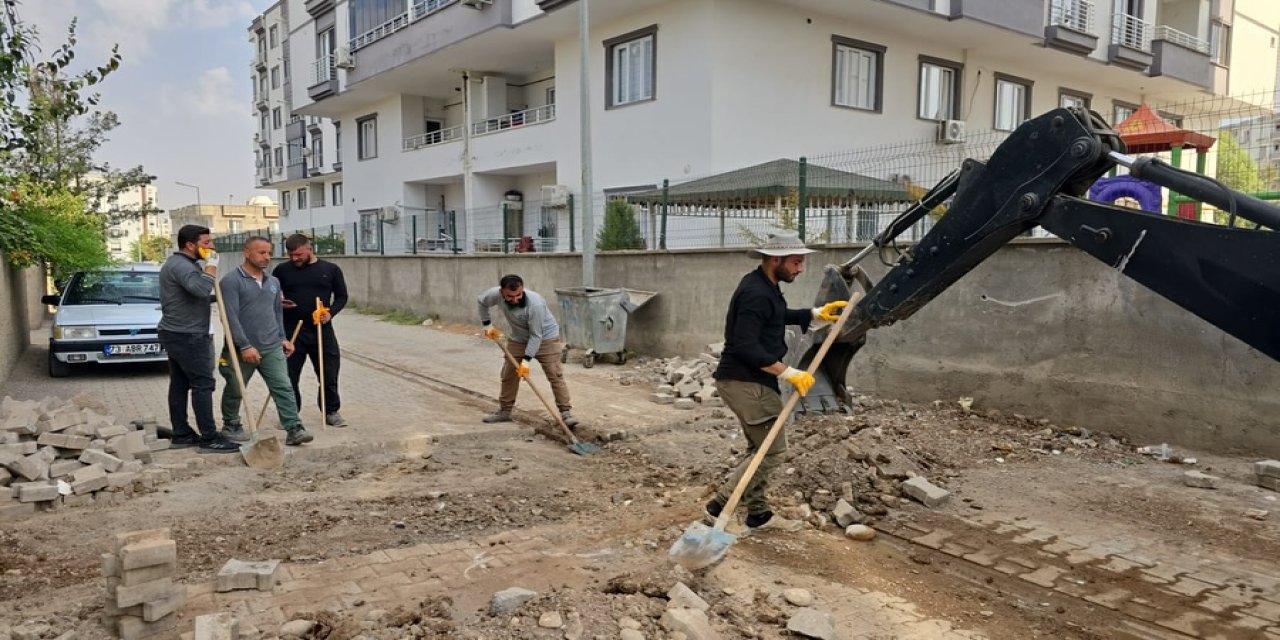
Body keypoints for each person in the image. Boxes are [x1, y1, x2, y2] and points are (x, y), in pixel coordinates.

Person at [703, 231, 847, 532]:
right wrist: (788, 372)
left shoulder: (764, 286)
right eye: (796, 262)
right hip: (746, 382)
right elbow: (745, 345)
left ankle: (758, 515)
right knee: (774, 450)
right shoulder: (755, 293)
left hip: (748, 381)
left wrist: (814, 315)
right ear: (775, 260)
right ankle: (718, 506)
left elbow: (776, 315)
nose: (800, 269)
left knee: (760, 448)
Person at [217, 236, 314, 446]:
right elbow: (229, 317)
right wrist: (245, 346)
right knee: (236, 387)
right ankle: (231, 424)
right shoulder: (231, 281)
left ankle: (294, 428)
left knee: (283, 386)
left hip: (271, 346)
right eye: (261, 253)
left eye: (269, 253)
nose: (267, 257)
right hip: (241, 348)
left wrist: (283, 338)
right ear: (247, 253)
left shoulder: (273, 282)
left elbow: (276, 312)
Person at [157, 225, 240, 454]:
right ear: (190, 245)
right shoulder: (182, 266)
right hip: (188, 336)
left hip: (177, 333)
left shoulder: (183, 264)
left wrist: (220, 297)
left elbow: (194, 295)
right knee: (203, 385)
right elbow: (201, 289)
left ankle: (182, 434)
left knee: (180, 384)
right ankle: (209, 438)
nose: (212, 247)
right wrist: (211, 266)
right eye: (206, 243)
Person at [477, 274, 578, 427]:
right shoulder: (494, 294)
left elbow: (536, 336)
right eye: (510, 296)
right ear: (502, 292)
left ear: (522, 289)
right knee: (509, 374)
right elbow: (481, 301)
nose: (515, 299)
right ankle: (505, 411)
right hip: (518, 339)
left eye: (518, 295)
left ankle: (566, 413)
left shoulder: (535, 304)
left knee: (555, 374)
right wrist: (487, 325)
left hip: (546, 338)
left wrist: (526, 362)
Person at [273, 234, 349, 427]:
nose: (294, 258)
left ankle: (330, 411)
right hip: (292, 330)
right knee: (289, 375)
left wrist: (330, 313)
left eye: (298, 254)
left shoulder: (330, 270)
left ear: (310, 248)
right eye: (291, 255)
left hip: (321, 330)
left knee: (329, 372)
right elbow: (272, 295)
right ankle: (290, 414)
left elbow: (342, 297)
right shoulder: (281, 270)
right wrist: (280, 303)